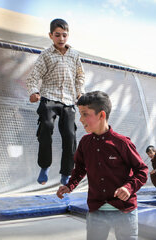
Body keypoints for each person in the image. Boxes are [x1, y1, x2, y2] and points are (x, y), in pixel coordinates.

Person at [57, 91, 148, 240]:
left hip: (125, 211)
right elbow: (80, 168)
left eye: (85, 114)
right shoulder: (85, 143)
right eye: (80, 114)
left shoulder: (122, 143)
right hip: (96, 211)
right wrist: (70, 186)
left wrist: (128, 187)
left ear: (101, 115)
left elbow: (142, 170)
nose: (80, 119)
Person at [25, 18, 85, 185]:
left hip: (68, 100)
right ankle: (44, 166)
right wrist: (33, 92)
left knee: (70, 135)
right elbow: (33, 77)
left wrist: (80, 92)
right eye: (57, 35)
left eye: (64, 35)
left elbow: (80, 76)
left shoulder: (74, 55)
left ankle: (66, 173)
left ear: (68, 35)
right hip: (49, 98)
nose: (61, 38)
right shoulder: (46, 55)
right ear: (51, 35)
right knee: (46, 127)